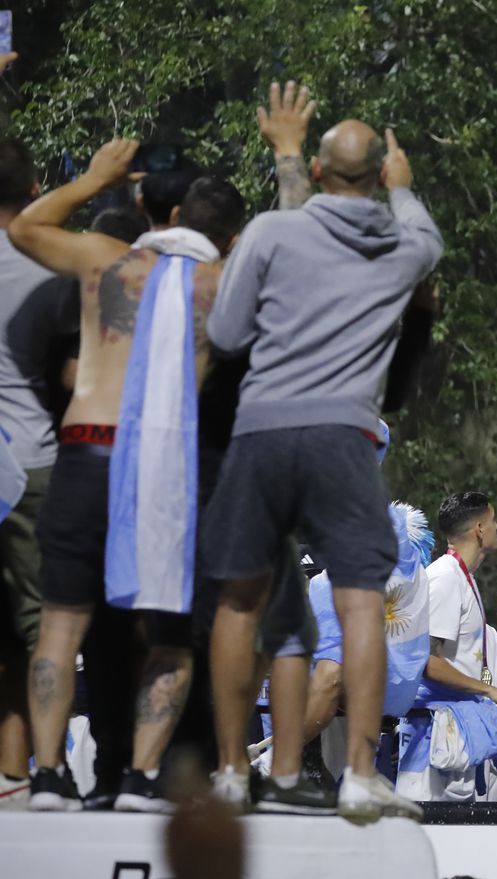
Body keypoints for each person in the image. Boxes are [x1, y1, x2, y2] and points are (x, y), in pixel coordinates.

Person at [201, 107, 443, 823]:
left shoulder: (275, 231)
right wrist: (403, 188)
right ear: (382, 175)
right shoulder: (406, 245)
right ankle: (361, 773)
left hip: (264, 429)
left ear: (313, 172)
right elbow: (426, 234)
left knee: (240, 600)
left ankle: (226, 769)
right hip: (345, 433)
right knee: (360, 600)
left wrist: (286, 153)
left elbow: (225, 332)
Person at [8, 139, 245, 811]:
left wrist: (91, 179)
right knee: (170, 634)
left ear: (150, 211)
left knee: (60, 622)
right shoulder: (220, 281)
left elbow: (24, 226)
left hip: (89, 447)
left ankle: (49, 775)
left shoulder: (104, 259)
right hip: (163, 465)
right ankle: (142, 777)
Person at [0, 136, 79, 808]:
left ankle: (11, 771)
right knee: (44, 625)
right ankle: (47, 768)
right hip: (33, 464)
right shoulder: (48, 266)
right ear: (32, 194)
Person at [395, 492, 497, 801]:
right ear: (480, 530)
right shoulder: (444, 578)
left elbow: (469, 663)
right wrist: (491, 691)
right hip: (433, 739)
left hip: (454, 734)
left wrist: (493, 685)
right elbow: (427, 661)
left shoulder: (460, 577)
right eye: (494, 520)